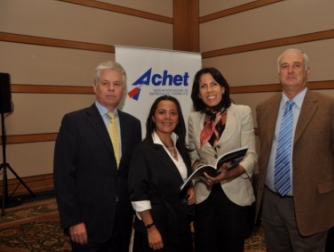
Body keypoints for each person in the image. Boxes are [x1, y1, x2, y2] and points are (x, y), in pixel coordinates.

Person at [255, 48, 334, 252]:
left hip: (311, 202)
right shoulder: (264, 108)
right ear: (278, 73)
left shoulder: (332, 108)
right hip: (272, 203)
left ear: (307, 71)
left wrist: (313, 178)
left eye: (296, 65)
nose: (290, 70)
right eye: (285, 66)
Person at [53, 60, 142, 251]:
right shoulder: (74, 122)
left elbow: (132, 173)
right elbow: (63, 177)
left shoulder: (133, 125)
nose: (111, 89)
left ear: (123, 90)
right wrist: (72, 220)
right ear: (95, 87)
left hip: (123, 221)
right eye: (105, 83)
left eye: (117, 84)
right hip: (87, 223)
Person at [188, 67, 257, 252]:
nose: (209, 90)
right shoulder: (194, 118)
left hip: (234, 192)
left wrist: (228, 174)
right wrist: (199, 166)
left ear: (223, 88)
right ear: (198, 93)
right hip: (205, 192)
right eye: (203, 86)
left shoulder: (242, 112)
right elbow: (192, 153)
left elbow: (251, 155)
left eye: (214, 84)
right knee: (205, 245)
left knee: (232, 246)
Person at [128, 95, 195, 252]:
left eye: (173, 113)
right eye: (162, 112)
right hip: (155, 229)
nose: (167, 117)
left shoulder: (180, 147)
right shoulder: (143, 150)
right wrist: (151, 228)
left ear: (178, 119)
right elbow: (138, 194)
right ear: (153, 117)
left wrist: (190, 186)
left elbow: (180, 176)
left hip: (180, 226)